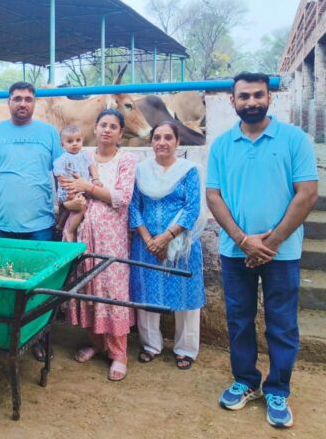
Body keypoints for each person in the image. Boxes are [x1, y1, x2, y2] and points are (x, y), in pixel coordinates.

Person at [206, 72, 317, 429]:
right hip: (234, 251)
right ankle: (246, 381)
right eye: (244, 96)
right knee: (239, 320)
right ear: (232, 101)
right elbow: (214, 196)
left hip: (281, 254)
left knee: (281, 323)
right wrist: (242, 240)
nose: (251, 102)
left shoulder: (294, 139)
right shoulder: (222, 145)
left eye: (258, 95)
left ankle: (278, 389)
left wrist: (269, 243)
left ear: (269, 97)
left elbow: (307, 194)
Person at [0, 81, 62, 361]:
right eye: (17, 99)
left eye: (28, 99)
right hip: (2, 223)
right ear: (8, 102)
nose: (23, 103)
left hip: (41, 224)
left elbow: (61, 172)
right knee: (4, 281)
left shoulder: (49, 133)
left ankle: (39, 338)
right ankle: (6, 336)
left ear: (35, 103)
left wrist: (65, 208)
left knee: (41, 285)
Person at [61, 108, 136, 382]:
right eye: (102, 124)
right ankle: (96, 341)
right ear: (95, 128)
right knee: (87, 286)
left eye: (113, 126)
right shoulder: (82, 157)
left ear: (120, 133)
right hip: (83, 232)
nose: (106, 129)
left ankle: (119, 353)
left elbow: (121, 197)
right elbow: (68, 192)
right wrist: (72, 200)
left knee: (112, 289)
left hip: (112, 236)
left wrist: (88, 188)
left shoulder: (126, 160)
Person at [129, 121, 206, 370]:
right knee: (146, 293)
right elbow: (134, 207)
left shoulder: (189, 170)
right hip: (146, 244)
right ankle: (150, 345)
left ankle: (186, 349)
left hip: (181, 245)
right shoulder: (140, 171)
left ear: (177, 142)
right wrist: (149, 239)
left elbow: (192, 207)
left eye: (168, 138)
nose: (162, 142)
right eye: (157, 137)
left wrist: (166, 238)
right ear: (151, 142)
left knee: (186, 294)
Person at [53, 124, 97, 242]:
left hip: (82, 188)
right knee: (81, 206)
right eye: (70, 141)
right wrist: (70, 190)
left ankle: (61, 226)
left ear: (82, 140)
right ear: (63, 144)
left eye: (78, 140)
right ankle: (70, 230)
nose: (74, 143)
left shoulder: (85, 155)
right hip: (68, 191)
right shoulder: (62, 159)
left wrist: (96, 179)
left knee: (73, 208)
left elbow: (91, 166)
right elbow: (59, 176)